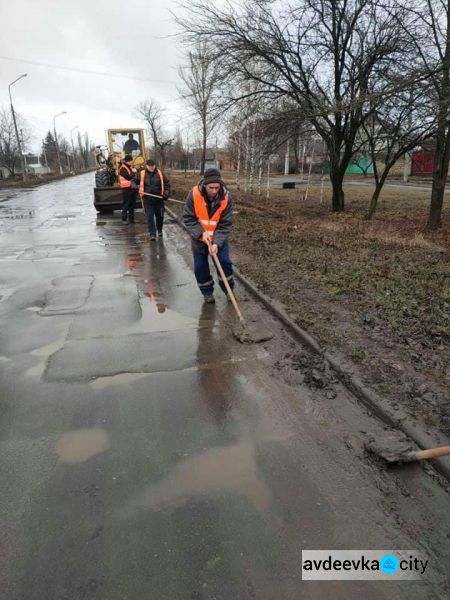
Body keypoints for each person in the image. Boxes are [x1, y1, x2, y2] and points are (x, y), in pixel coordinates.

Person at [183, 168, 234, 303]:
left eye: (217, 187)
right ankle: (207, 292)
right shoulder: (193, 195)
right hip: (199, 240)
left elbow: (225, 224)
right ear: (205, 185)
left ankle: (229, 290)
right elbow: (188, 218)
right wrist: (200, 234)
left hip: (218, 240)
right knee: (200, 267)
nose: (214, 191)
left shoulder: (227, 198)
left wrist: (216, 242)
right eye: (211, 187)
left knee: (224, 263)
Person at [139, 159, 171, 240]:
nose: (151, 167)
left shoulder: (160, 173)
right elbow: (134, 181)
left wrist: (166, 193)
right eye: (149, 166)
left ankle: (159, 230)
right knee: (150, 217)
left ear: (155, 165)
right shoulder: (142, 174)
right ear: (146, 166)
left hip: (159, 200)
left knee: (160, 216)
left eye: (152, 166)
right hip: (148, 200)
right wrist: (133, 185)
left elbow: (167, 184)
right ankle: (152, 234)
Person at [118, 155, 137, 223]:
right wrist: (134, 172)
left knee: (132, 204)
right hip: (126, 189)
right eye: (131, 160)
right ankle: (124, 219)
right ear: (128, 161)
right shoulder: (122, 168)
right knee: (126, 204)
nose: (132, 162)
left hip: (132, 188)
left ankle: (131, 219)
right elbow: (128, 177)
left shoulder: (130, 167)